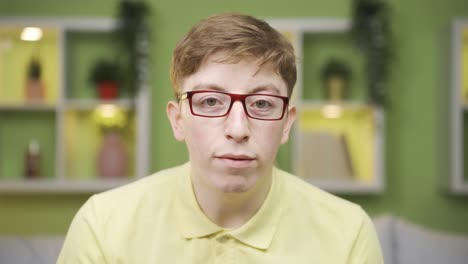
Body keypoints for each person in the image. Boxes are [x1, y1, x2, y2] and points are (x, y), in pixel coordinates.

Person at [58, 13, 384, 263]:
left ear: (286, 123)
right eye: (211, 101)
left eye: (261, 104)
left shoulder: (348, 233)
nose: (238, 128)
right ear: (178, 120)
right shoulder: (102, 225)